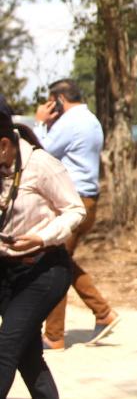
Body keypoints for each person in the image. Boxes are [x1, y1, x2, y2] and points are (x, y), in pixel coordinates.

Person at [0, 96, 85, 398]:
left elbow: (76, 210)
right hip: (7, 270)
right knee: (26, 355)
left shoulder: (40, 165)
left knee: (6, 347)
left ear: (3, 146)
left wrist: (42, 236)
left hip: (44, 269)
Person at [33, 79, 116, 350]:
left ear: (58, 100)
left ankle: (55, 336)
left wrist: (39, 121)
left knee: (56, 264)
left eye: (50, 101)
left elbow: (39, 152)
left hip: (72, 202)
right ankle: (103, 313)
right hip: (88, 200)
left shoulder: (69, 122)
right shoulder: (91, 120)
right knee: (63, 261)